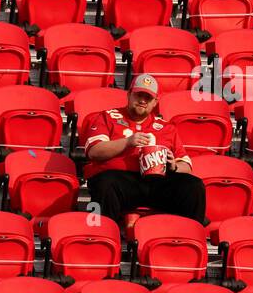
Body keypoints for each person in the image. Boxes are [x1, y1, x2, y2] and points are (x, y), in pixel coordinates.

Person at [83, 73, 207, 225]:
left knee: (193, 186)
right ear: (129, 95)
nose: (142, 101)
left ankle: (188, 238)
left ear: (155, 102)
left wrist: (174, 166)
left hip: (157, 184)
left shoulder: (166, 127)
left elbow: (186, 165)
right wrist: (127, 142)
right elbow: (94, 152)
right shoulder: (107, 117)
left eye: (148, 98)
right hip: (121, 181)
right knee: (105, 183)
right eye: (138, 95)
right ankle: (103, 236)